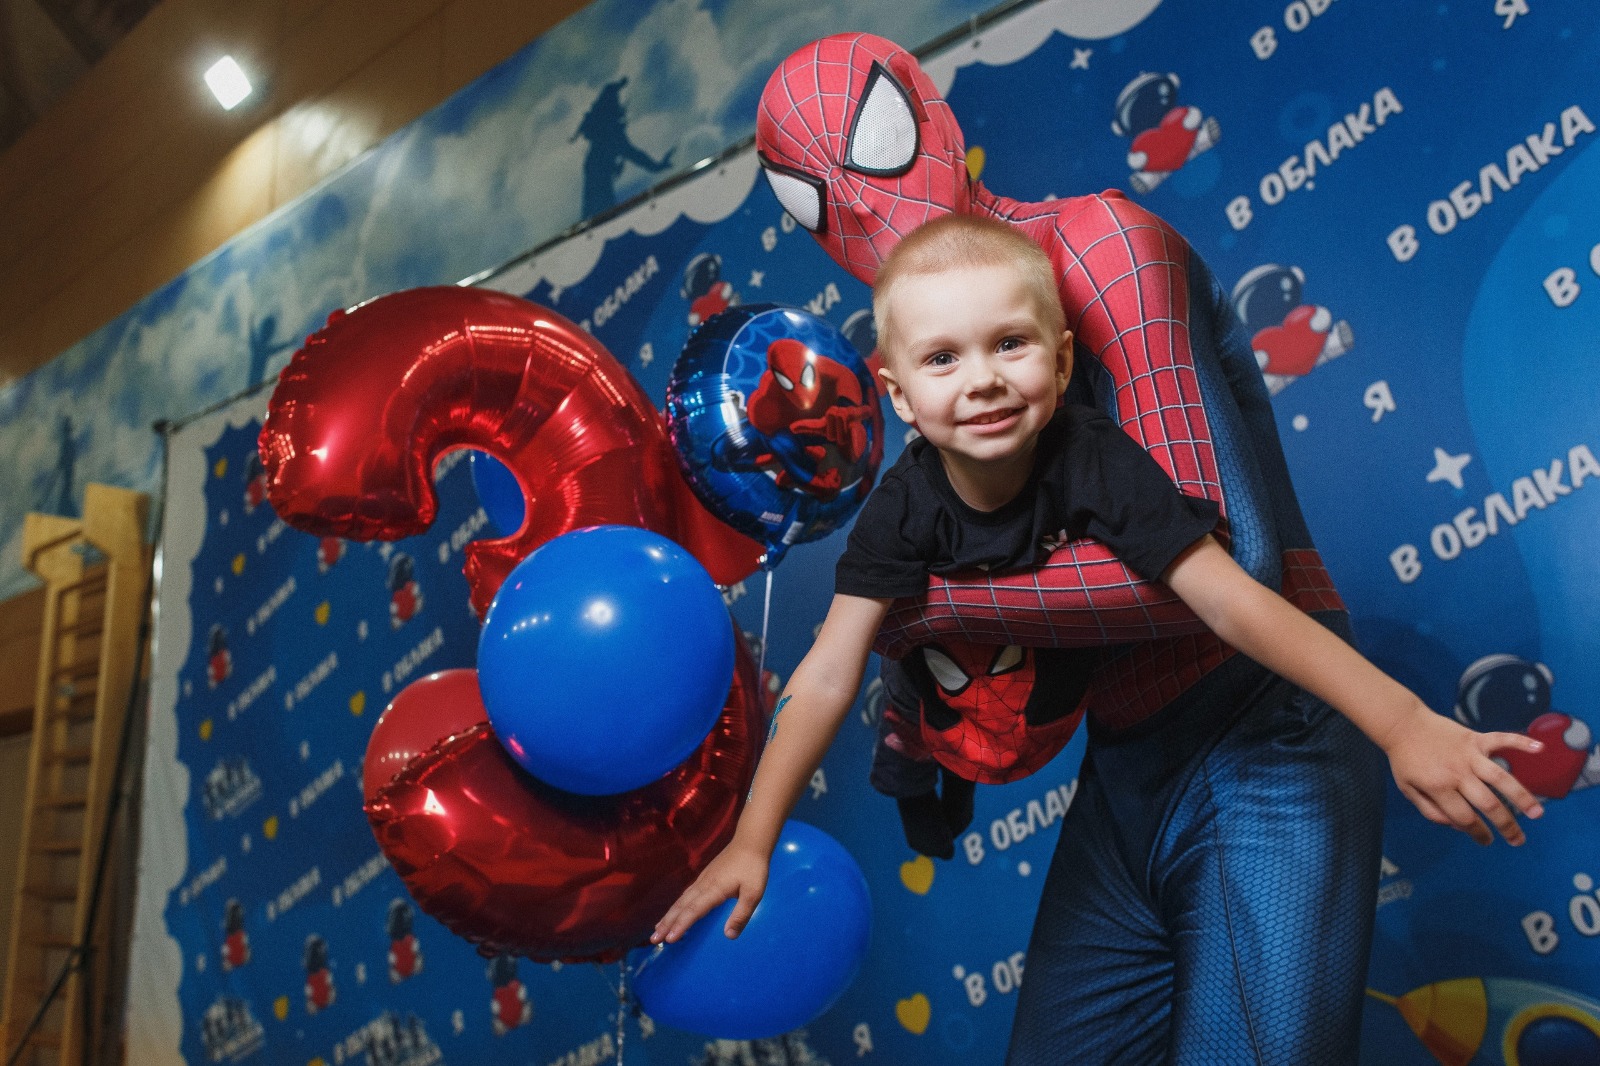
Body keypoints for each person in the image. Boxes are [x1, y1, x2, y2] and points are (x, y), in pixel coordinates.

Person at [652, 214, 1544, 1064]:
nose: (984, 379)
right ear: (899, 395)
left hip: (1147, 710)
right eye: (942, 358)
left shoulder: (1094, 459)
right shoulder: (904, 505)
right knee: (910, 682)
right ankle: (919, 765)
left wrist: (1401, 723)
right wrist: (753, 839)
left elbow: (1233, 601)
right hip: (960, 687)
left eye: (1011, 343)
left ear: (1063, 355)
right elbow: (826, 670)